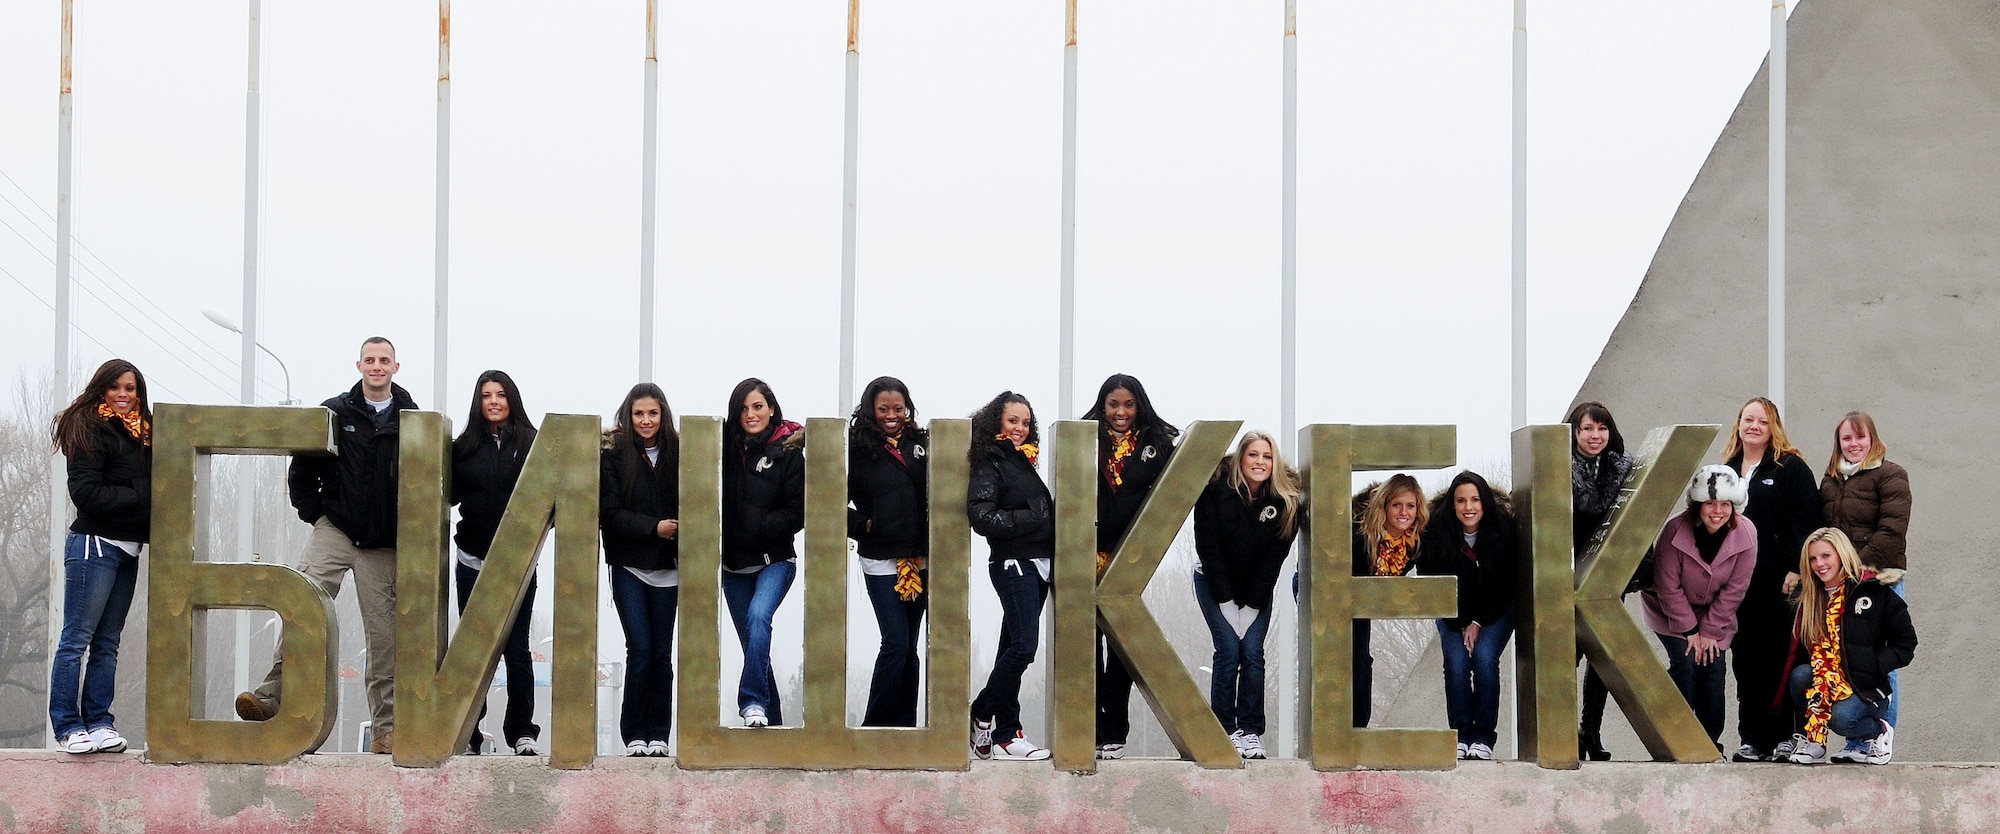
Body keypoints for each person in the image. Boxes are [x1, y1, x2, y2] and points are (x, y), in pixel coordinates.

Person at [237, 337, 415, 754]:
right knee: (302, 611)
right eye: (369, 360)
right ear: (358, 365)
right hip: (334, 531)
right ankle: (269, 699)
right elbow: (302, 469)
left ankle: (387, 729)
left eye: (383, 360)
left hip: (383, 544)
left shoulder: (412, 419)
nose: (376, 366)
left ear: (396, 367)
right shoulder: (334, 411)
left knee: (384, 636)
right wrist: (316, 515)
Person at [48, 359, 152, 755]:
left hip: (129, 549)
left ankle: (99, 723)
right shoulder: (88, 428)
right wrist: (141, 495)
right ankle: (68, 727)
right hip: (94, 545)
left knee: (108, 643)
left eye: (131, 388)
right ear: (102, 390)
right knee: (77, 640)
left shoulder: (144, 433)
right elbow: (87, 495)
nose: (124, 395)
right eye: (116, 388)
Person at [1082, 374, 1179, 760]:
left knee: (1120, 649)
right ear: (1102, 407)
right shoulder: (1086, 439)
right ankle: (1085, 730)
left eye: (1128, 405)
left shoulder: (1157, 444)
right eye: (1113, 405)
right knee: (1086, 648)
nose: (1120, 412)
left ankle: (1114, 733)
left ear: (1139, 406)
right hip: (1086, 554)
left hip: (1129, 558)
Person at [1721, 396, 1822, 762]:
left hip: (1780, 583)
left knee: (1781, 661)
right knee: (1746, 663)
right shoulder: (1727, 470)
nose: (1754, 427)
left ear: (1773, 427)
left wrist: (1797, 568)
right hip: (1738, 585)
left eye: (1762, 422)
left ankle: (1783, 737)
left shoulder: (1790, 468)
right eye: (1748, 420)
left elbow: (1807, 519)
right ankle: (1752, 738)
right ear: (1738, 424)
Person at [1192, 431, 1301, 760]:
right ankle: (1224, 731)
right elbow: (1209, 549)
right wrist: (1226, 603)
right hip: (1213, 582)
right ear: (1241, 458)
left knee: (1252, 654)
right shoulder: (1215, 491)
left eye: (1267, 457)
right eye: (1253, 455)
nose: (1260, 462)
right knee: (1228, 651)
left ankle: (1251, 732)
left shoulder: (1284, 500)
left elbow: (1274, 559)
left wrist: (1251, 606)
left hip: (1255, 588)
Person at [449, 370, 542, 756]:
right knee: (474, 649)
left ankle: (522, 732)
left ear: (512, 399)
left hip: (517, 564)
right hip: (472, 561)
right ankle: (468, 732)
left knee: (516, 649)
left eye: (500, 394)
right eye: (486, 395)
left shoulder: (533, 443)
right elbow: (447, 494)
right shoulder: (463, 446)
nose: (493, 401)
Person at [1640, 465, 1757, 751]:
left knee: (1714, 667)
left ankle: (1708, 741)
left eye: (1725, 504)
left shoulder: (1747, 534)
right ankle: (1674, 737)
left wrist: (1709, 631)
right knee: (1685, 661)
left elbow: (1734, 590)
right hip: (1670, 611)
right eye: (1710, 503)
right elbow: (1668, 586)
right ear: (1697, 505)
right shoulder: (1674, 530)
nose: (1717, 511)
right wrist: (1691, 630)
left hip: (1715, 615)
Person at [1817, 412, 1911, 762]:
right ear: (1838, 442)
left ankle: (1881, 737)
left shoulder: (1891, 475)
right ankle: (1857, 741)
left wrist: (1852, 567)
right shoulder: (1830, 481)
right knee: (1845, 661)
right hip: (1841, 586)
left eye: (1860, 437)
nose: (1853, 444)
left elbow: (1892, 530)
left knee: (1880, 662)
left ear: (1872, 439)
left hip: (1879, 582)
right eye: (1846, 439)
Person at [966, 391, 1054, 760]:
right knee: (1023, 648)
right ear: (995, 424)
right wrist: (1035, 516)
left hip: (1040, 566)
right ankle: (982, 712)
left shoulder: (1023, 461)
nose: (1020, 428)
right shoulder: (992, 462)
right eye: (1012, 421)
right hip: (1013, 564)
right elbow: (981, 517)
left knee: (1010, 649)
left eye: (1025, 422)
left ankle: (1007, 733)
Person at [1782, 528, 1916, 765]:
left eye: (1826, 556)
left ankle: (1879, 732)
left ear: (1841, 554)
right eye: (1812, 559)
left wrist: (1875, 665)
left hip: (1865, 688)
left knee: (1842, 719)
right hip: (1829, 682)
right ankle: (1815, 742)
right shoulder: (1810, 596)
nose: (1819, 564)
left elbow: (1906, 642)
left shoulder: (1871, 591)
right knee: (1801, 676)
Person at [600, 383, 681, 756]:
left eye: (652, 413)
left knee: (662, 653)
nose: (646, 421)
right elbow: (611, 514)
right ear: (628, 416)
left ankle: (659, 734)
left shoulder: (681, 452)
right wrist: (654, 528)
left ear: (662, 415)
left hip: (671, 569)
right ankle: (634, 733)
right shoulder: (614, 454)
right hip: (630, 566)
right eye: (638, 414)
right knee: (641, 648)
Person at [720, 378, 805, 728]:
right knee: (755, 646)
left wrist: (758, 525)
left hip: (775, 561)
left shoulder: (789, 452)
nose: (751, 414)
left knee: (758, 619)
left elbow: (797, 512)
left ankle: (751, 701)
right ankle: (773, 723)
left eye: (757, 406)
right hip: (733, 567)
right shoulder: (722, 447)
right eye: (743, 408)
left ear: (771, 408)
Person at [846, 376, 930, 728]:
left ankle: (905, 725)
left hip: (920, 558)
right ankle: (875, 726)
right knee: (895, 641)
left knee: (909, 649)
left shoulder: (921, 444)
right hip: (880, 558)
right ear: (871, 409)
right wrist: (864, 524)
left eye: (898, 409)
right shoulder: (855, 446)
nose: (891, 415)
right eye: (883, 409)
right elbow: (830, 500)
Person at [1418, 471, 1516, 761]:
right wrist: (1460, 622)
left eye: (1474, 499)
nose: (1468, 507)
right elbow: (1430, 578)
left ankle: (1483, 737)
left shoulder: (1503, 529)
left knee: (1485, 658)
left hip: (1495, 609)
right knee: (1457, 662)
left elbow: (1506, 584)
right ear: (1452, 504)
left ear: (1484, 502)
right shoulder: (1436, 530)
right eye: (1461, 500)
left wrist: (1477, 622)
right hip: (1451, 610)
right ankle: (1460, 735)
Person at [1567, 401, 1632, 760]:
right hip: (1566, 572)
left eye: (1602, 428)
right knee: (1568, 653)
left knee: (1602, 656)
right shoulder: (1559, 465)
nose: (1595, 436)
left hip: (1607, 574)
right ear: (1574, 432)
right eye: (1588, 428)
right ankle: (1566, 731)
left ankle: (1591, 729)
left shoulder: (1623, 467)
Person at [1350, 474, 1426, 729]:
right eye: (1397, 505)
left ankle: (1358, 727)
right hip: (1334, 590)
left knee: (1361, 660)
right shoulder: (1360, 533)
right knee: (1348, 656)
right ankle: (1346, 727)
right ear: (1385, 506)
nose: (1404, 512)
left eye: (1410, 506)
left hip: (1364, 601)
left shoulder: (1413, 543)